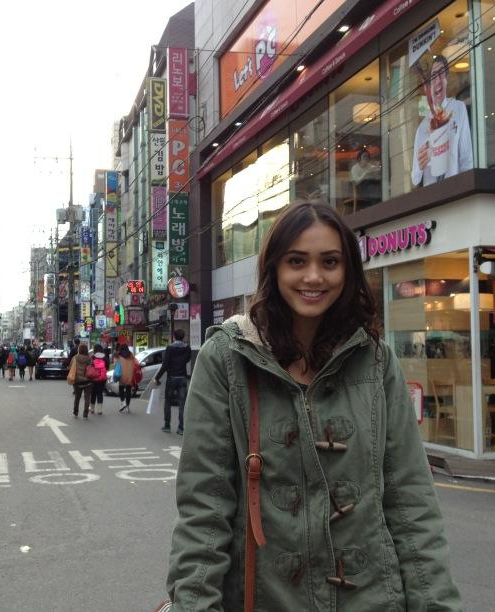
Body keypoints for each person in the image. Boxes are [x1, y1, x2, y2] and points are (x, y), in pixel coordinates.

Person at [166, 201, 461, 610]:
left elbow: (411, 501)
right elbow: (205, 509)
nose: (313, 276)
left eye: (330, 262)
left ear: (348, 270)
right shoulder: (227, 359)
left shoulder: (375, 360)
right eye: (297, 261)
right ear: (273, 267)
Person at [412, 54, 473, 187]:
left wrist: (466, 187)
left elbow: (466, 158)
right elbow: (415, 178)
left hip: (456, 188)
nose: (438, 80)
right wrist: (421, 165)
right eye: (434, 75)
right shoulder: (423, 128)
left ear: (447, 79)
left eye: (442, 74)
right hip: (432, 193)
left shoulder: (458, 108)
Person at [153, 329, 191, 435]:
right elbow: (187, 359)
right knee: (182, 403)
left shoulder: (170, 348)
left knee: (168, 401)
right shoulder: (187, 348)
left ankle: (167, 426)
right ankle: (181, 428)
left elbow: (165, 365)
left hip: (172, 378)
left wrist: (157, 378)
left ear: (174, 336)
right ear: (183, 337)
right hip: (182, 378)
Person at [70, 343, 93, 419]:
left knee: (77, 397)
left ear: (79, 349)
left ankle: (75, 411)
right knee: (87, 398)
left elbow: (71, 367)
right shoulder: (89, 358)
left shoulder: (75, 358)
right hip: (88, 381)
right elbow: (92, 368)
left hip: (77, 381)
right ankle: (85, 413)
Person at [115, 344, 137, 413]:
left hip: (121, 374)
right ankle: (127, 406)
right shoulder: (131, 355)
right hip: (129, 375)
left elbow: (115, 364)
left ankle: (123, 402)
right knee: (128, 391)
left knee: (121, 389)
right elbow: (136, 362)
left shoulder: (118, 355)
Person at [89, 344, 109, 416]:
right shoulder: (105, 357)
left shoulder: (93, 357)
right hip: (102, 378)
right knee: (100, 393)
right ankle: (100, 410)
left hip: (94, 378)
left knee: (93, 393)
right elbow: (107, 367)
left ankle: (92, 408)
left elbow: (90, 366)